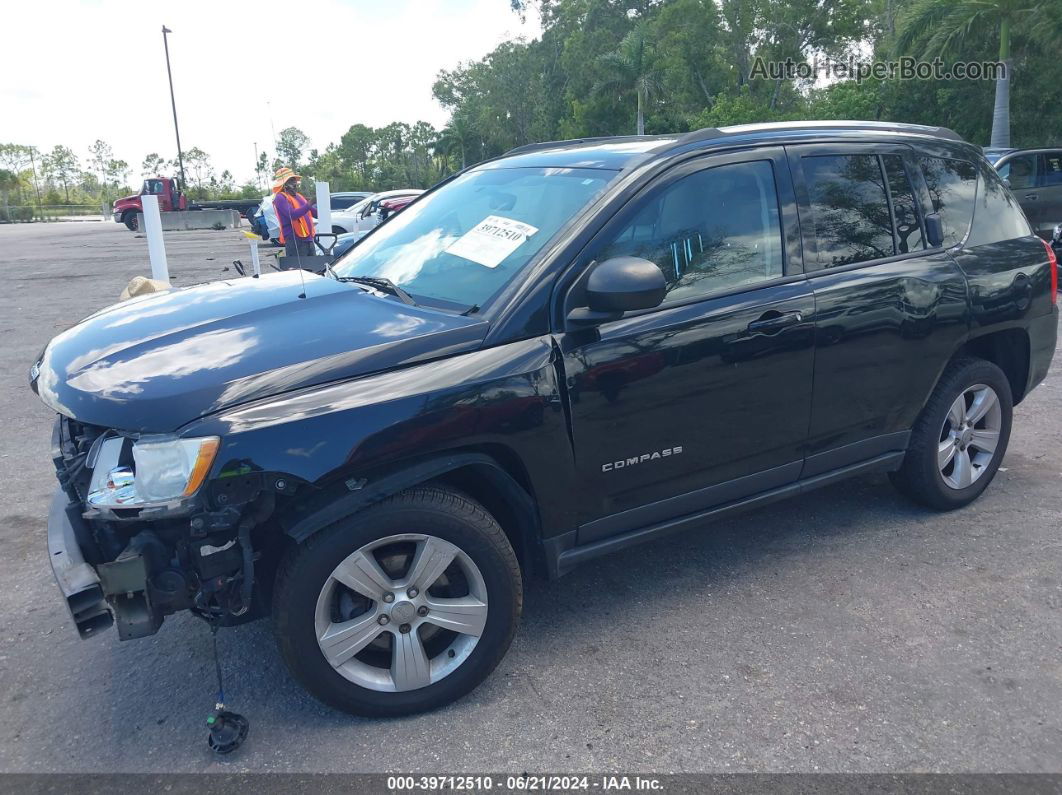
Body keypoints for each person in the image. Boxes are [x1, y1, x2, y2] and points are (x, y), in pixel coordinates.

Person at [271, 167, 316, 258]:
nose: (295, 184)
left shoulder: (299, 197)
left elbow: (314, 213)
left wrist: (323, 206)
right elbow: (292, 215)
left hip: (308, 239)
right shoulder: (280, 198)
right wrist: (310, 203)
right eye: (291, 181)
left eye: (294, 181)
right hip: (294, 240)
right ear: (284, 184)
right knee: (299, 270)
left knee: (313, 268)